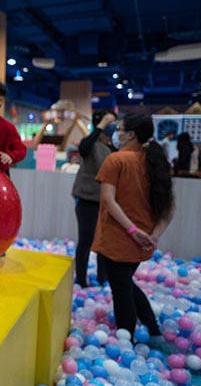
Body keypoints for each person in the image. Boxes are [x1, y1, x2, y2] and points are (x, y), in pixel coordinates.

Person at [92, 114, 175, 340]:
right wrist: (153, 236)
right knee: (125, 283)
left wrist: (131, 231)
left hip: (119, 239)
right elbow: (169, 208)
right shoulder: (155, 162)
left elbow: (109, 200)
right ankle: (154, 329)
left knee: (121, 292)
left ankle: (126, 340)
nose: (115, 133)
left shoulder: (116, 160)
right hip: (142, 241)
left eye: (119, 128)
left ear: (130, 134)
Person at [71, 109, 117, 288]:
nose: (112, 125)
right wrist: (99, 127)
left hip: (108, 201)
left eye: (114, 122)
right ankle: (81, 279)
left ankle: (102, 278)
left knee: (104, 242)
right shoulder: (90, 144)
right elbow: (83, 148)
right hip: (87, 199)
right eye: (109, 121)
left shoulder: (113, 146)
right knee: (86, 240)